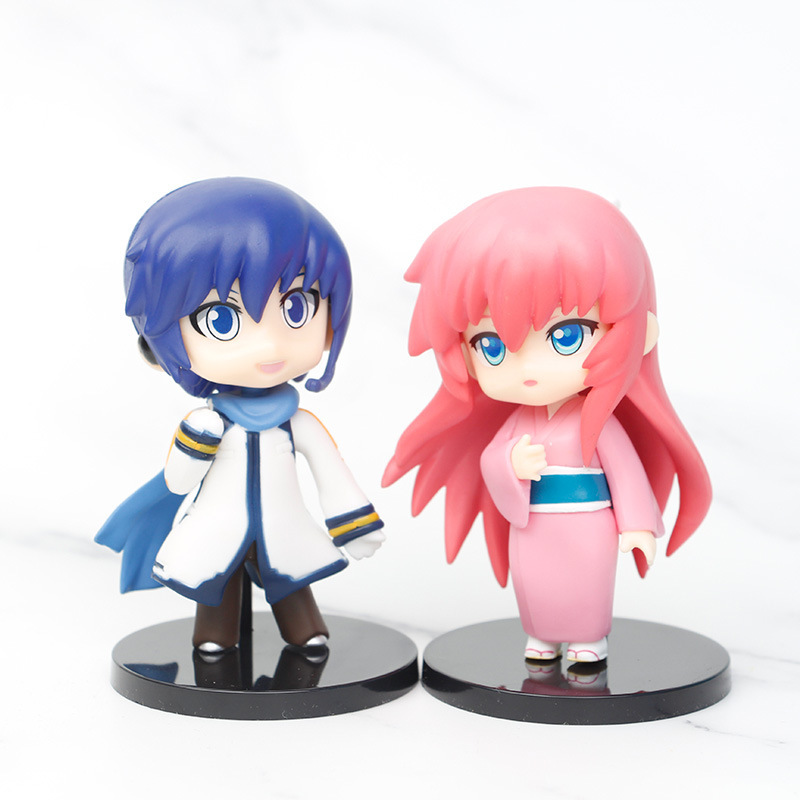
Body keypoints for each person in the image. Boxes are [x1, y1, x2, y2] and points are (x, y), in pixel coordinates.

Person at [383, 187, 710, 662]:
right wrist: (509, 463)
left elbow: (625, 472)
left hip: (588, 522)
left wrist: (636, 524)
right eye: (491, 345)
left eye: (566, 335)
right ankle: (540, 634)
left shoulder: (596, 423)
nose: (527, 368)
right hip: (533, 523)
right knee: (535, 581)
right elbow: (492, 458)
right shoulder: (519, 422)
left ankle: (588, 637)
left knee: (586, 582)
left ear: (639, 333)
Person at [97, 177, 384, 654]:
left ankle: (304, 632)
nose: (270, 346)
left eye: (296, 308)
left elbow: (333, 476)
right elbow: (179, 479)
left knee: (290, 575)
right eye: (222, 319)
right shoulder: (209, 423)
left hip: (285, 525)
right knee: (219, 576)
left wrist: (356, 523)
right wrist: (195, 444)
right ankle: (214, 637)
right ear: (157, 342)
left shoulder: (299, 425)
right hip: (218, 526)